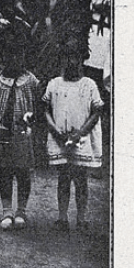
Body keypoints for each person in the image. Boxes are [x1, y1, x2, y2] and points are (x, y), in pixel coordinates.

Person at [43, 40, 104, 233]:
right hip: (60, 138)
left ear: (81, 60)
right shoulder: (55, 84)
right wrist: (55, 131)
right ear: (62, 59)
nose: (71, 62)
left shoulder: (89, 85)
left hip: (81, 139)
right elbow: (45, 110)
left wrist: (80, 133)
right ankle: (62, 218)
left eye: (75, 57)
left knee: (81, 179)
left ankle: (81, 218)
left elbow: (96, 112)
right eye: (67, 57)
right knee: (63, 177)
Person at [0, 40, 40, 230]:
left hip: (23, 132)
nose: (15, 60)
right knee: (5, 171)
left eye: (19, 56)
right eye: (10, 56)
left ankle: (21, 210)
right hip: (3, 131)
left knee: (23, 172)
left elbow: (38, 106)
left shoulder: (31, 80)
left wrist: (32, 119)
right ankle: (7, 210)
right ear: (3, 58)